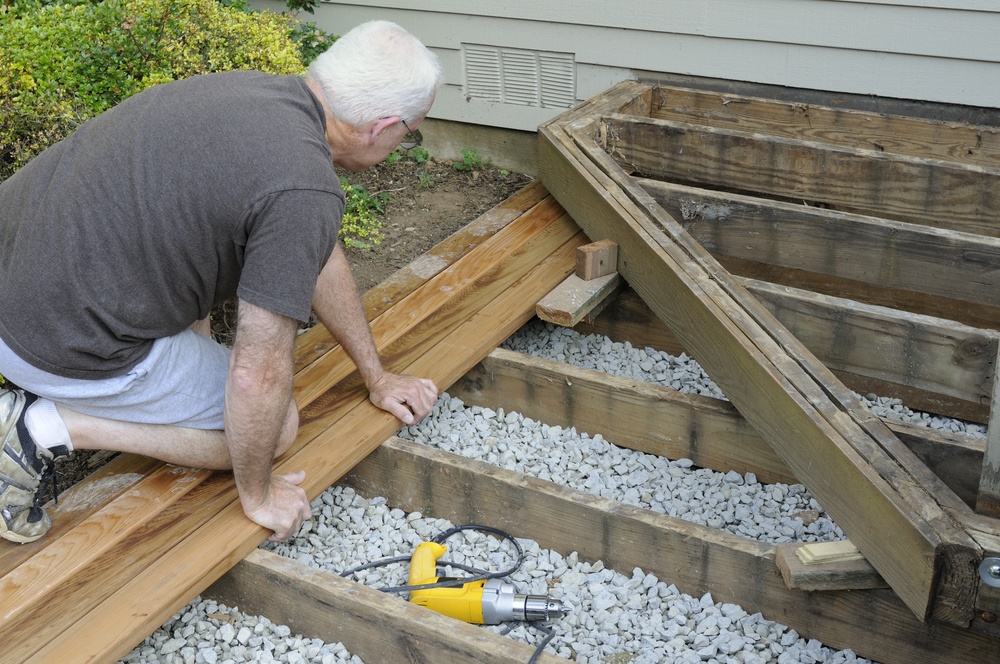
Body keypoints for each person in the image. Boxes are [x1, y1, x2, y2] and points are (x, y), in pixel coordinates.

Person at [0, 20, 442, 544]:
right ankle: (39, 430)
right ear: (382, 126)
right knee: (273, 429)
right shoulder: (302, 187)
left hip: (24, 280)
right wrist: (256, 494)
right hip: (54, 342)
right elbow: (256, 375)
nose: (401, 144)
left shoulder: (248, 92)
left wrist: (376, 374)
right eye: (409, 134)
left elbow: (312, 251)